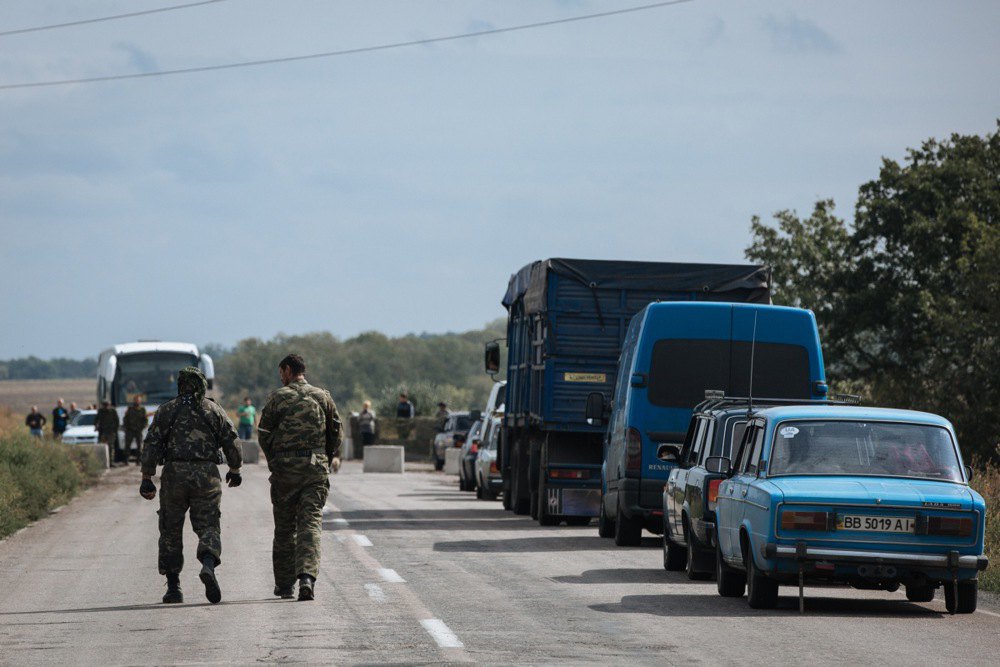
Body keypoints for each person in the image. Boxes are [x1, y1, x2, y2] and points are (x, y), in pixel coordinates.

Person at [139, 366, 242, 605]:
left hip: (174, 474)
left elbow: (151, 443)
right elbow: (231, 438)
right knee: (208, 525)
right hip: (206, 474)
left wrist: (147, 477)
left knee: (170, 529)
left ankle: (173, 588)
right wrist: (235, 469)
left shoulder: (167, 410)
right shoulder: (213, 409)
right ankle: (208, 564)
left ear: (180, 385)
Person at [257, 354, 342, 601]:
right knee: (311, 523)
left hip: (285, 469)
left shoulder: (277, 397)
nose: (280, 377)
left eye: (281, 372)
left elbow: (264, 434)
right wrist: (322, 456)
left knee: (285, 527)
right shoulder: (322, 396)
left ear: (288, 370)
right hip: (315, 468)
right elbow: (336, 434)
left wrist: (275, 460)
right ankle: (307, 577)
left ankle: (284, 585)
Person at [122, 396, 148, 465]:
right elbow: (125, 419)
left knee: (139, 446)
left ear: (140, 401)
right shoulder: (129, 409)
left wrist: (142, 427)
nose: (137, 401)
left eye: (138, 400)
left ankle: (138, 461)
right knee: (127, 446)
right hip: (130, 430)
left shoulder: (142, 409)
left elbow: (145, 420)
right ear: (134, 401)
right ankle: (126, 460)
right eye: (136, 400)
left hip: (138, 431)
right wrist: (127, 427)